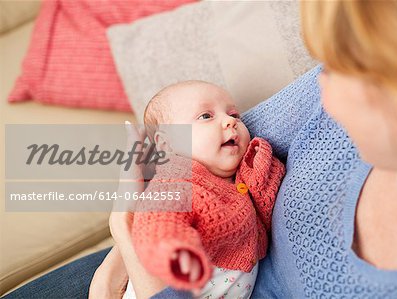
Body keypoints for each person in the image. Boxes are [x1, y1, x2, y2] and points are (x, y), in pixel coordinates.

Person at [2, 1, 397, 298]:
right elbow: (161, 219)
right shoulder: (183, 176)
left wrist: (134, 253)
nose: (320, 84)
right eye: (206, 117)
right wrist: (134, 248)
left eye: (341, 71)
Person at [113, 80, 285, 299]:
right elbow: (157, 224)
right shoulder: (176, 181)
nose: (229, 121)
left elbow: (263, 202)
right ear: (167, 145)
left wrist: (261, 163)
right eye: (206, 116)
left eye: (234, 115)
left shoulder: (236, 177)